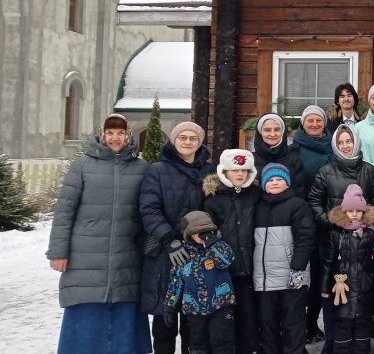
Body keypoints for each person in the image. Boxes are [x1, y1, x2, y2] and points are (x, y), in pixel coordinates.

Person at [47, 113, 151, 354]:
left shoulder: (141, 168)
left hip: (126, 255)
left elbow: (147, 211)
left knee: (125, 308)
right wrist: (58, 251)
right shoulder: (82, 165)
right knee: (86, 309)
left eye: (120, 133)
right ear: (102, 134)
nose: (115, 138)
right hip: (86, 255)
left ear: (128, 135)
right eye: (110, 133)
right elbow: (64, 210)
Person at [140, 121, 213, 354]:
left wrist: (207, 236)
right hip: (166, 254)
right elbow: (149, 210)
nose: (188, 142)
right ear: (174, 140)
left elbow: (216, 209)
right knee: (165, 320)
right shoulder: (157, 170)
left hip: (199, 253)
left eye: (193, 138)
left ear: (200, 142)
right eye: (183, 137)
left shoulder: (208, 172)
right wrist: (168, 239)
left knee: (194, 323)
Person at [309, 124, 374, 353]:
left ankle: (360, 341)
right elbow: (314, 201)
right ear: (335, 146)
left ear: (356, 142)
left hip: (362, 240)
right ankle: (333, 339)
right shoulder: (326, 171)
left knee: (361, 290)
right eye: (341, 143)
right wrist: (332, 221)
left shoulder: (368, 171)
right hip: (334, 240)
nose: (346, 146)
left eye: (349, 141)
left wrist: (369, 223)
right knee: (334, 291)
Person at [202, 148, 262, 354]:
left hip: (249, 267)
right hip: (223, 271)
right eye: (235, 170)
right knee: (224, 321)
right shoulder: (213, 199)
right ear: (224, 172)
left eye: (245, 170)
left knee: (249, 319)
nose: (240, 174)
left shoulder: (255, 195)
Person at [254, 163, 316, 354]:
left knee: (293, 323)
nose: (274, 183)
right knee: (267, 324)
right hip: (264, 280)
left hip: (291, 277)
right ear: (263, 184)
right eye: (270, 180)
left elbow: (305, 239)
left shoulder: (297, 205)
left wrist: (297, 270)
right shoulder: (258, 206)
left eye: (279, 179)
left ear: (287, 183)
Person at [164, 211, 237, 354]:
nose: (203, 235)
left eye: (207, 231)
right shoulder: (183, 256)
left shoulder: (219, 247)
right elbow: (175, 283)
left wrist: (213, 244)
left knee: (222, 343)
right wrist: (169, 306)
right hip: (194, 309)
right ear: (188, 234)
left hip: (221, 307)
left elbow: (226, 261)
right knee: (198, 345)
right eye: (198, 232)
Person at [290, 105, 334, 342]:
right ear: (303, 123)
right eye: (310, 121)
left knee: (320, 275)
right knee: (298, 274)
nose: (315, 124)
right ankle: (296, 326)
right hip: (301, 219)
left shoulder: (332, 146)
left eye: (319, 120)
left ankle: (312, 324)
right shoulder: (294, 149)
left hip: (326, 220)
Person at [321, 184, 374, 353]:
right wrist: (325, 287)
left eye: (358, 210)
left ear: (364, 211)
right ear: (344, 212)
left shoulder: (370, 234)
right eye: (350, 211)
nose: (354, 214)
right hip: (342, 288)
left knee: (363, 324)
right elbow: (328, 261)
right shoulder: (336, 234)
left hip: (364, 286)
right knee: (342, 323)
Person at [253, 113, 309, 199]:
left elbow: (299, 192)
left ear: (282, 132)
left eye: (277, 129)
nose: (272, 134)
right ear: (260, 132)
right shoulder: (252, 160)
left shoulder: (294, 160)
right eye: (267, 130)